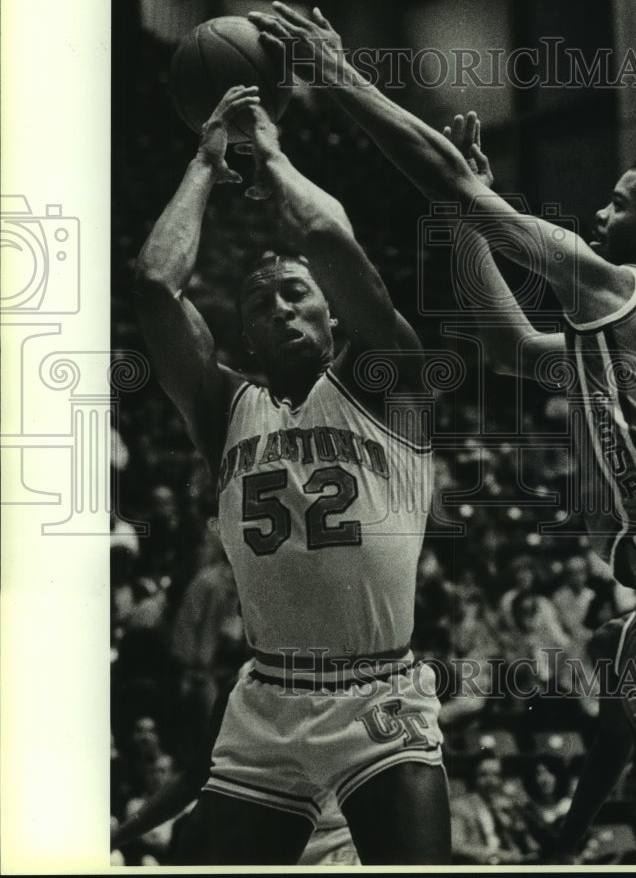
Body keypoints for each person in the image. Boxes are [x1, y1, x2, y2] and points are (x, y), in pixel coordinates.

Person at [247, 2, 636, 862]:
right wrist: (472, 222)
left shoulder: (621, 288)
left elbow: (447, 181)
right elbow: (504, 344)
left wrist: (339, 76)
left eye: (619, 202)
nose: (600, 216)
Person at [134, 85, 449, 864]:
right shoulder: (223, 404)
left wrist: (269, 156)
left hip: (380, 696)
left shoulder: (384, 380)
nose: (281, 308)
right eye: (261, 300)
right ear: (243, 330)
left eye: (296, 293)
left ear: (332, 314)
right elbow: (151, 286)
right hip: (269, 698)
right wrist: (206, 160)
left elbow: (328, 238)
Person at [111, 659, 359, 867]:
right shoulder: (241, 684)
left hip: (335, 846)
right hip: (263, 847)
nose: (241, 611)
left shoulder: (358, 674)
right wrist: (117, 837)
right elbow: (192, 781)